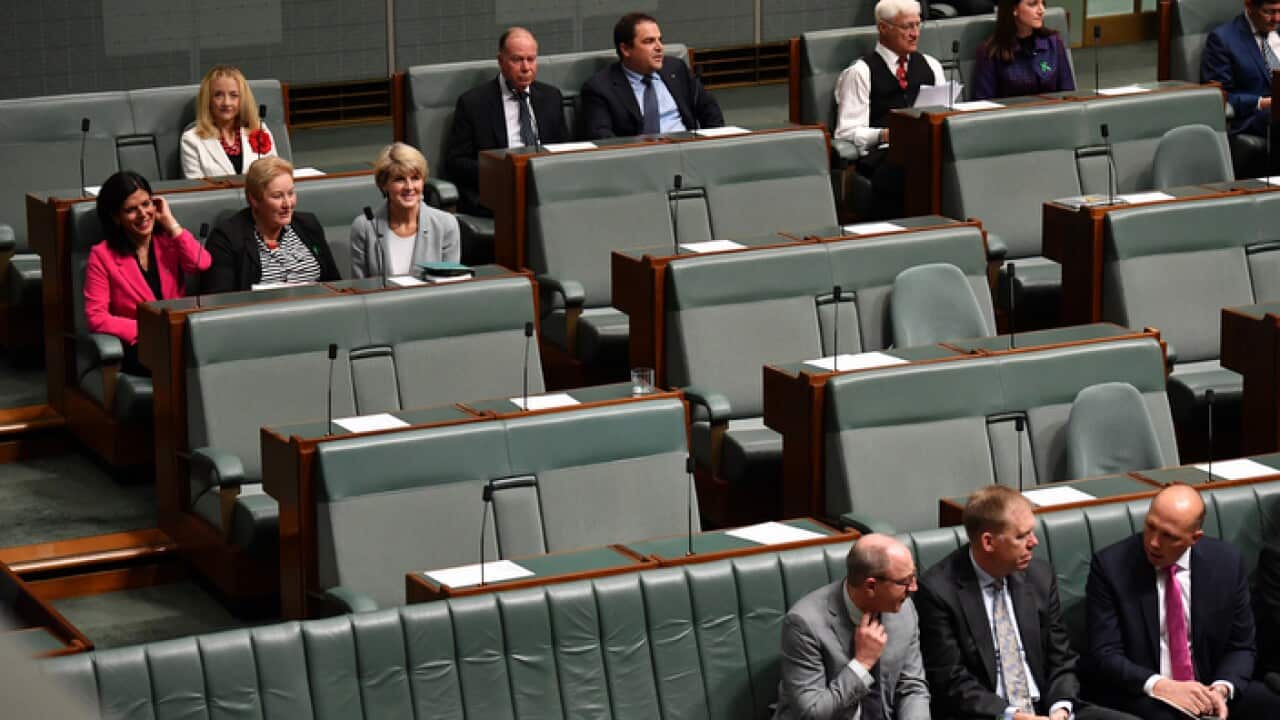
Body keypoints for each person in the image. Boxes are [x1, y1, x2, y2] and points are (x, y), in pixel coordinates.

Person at [915, 485, 1137, 720]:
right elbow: (951, 681)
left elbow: (1060, 658)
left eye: (1032, 532)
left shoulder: (1039, 575)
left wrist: (1060, 708)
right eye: (1021, 536)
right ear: (988, 542)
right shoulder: (939, 591)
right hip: (990, 714)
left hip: (1048, 709)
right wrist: (1014, 715)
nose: (1034, 542)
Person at [1085, 483, 1280, 719]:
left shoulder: (1226, 563)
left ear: (1194, 538)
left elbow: (1241, 645)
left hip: (1207, 687)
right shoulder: (1111, 566)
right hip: (1147, 693)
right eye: (1150, 527)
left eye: (1169, 536)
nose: (1154, 542)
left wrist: (1220, 688)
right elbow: (1105, 654)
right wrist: (1164, 687)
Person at [775, 534, 930, 720]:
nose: (913, 588)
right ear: (871, 586)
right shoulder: (804, 623)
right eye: (905, 581)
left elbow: (912, 686)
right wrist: (862, 663)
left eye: (913, 576)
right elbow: (812, 713)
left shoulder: (903, 609)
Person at [84, 171, 211, 376]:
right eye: (131, 210)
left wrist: (170, 223)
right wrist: (148, 330)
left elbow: (200, 264)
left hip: (179, 338)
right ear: (116, 217)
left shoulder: (170, 241)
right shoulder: (102, 256)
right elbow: (96, 318)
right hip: (139, 346)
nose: (143, 214)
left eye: (146, 204)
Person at [833, 0, 945, 220]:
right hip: (884, 155)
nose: (914, 34)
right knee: (910, 173)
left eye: (917, 25)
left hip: (928, 148)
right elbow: (845, 133)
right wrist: (883, 134)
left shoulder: (931, 65)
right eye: (907, 27)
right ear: (883, 28)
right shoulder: (860, 72)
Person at [445, 27, 570, 216]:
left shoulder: (551, 97)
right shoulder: (473, 103)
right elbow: (457, 163)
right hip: (498, 193)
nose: (526, 67)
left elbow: (564, 148)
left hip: (546, 190)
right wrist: (503, 172)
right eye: (518, 59)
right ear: (501, 61)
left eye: (531, 59)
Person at [201, 157, 340, 293]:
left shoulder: (308, 225)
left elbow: (335, 284)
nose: (288, 204)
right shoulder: (227, 237)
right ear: (254, 199)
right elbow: (220, 299)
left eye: (291, 193)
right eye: (277, 196)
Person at [580, 13, 724, 139]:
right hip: (638, 161)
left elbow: (710, 112)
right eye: (649, 41)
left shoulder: (676, 69)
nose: (659, 47)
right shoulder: (599, 88)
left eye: (659, 39)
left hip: (687, 152)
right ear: (625, 49)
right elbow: (603, 139)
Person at [349, 142, 460, 279]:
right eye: (399, 179)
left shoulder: (446, 224)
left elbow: (450, 286)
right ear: (384, 185)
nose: (409, 187)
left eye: (415, 178)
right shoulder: (365, 227)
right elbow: (360, 288)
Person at [181, 65, 278, 178]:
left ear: (242, 99)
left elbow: (274, 176)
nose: (226, 103)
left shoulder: (260, 129)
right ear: (207, 100)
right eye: (218, 95)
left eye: (234, 95)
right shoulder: (191, 140)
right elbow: (196, 190)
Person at [971, 0, 1075, 100]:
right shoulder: (990, 51)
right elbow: (982, 105)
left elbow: (1068, 94)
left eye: (1042, 3)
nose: (1041, 10)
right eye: (1032, 4)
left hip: (1054, 114)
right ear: (1014, 9)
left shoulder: (1054, 42)